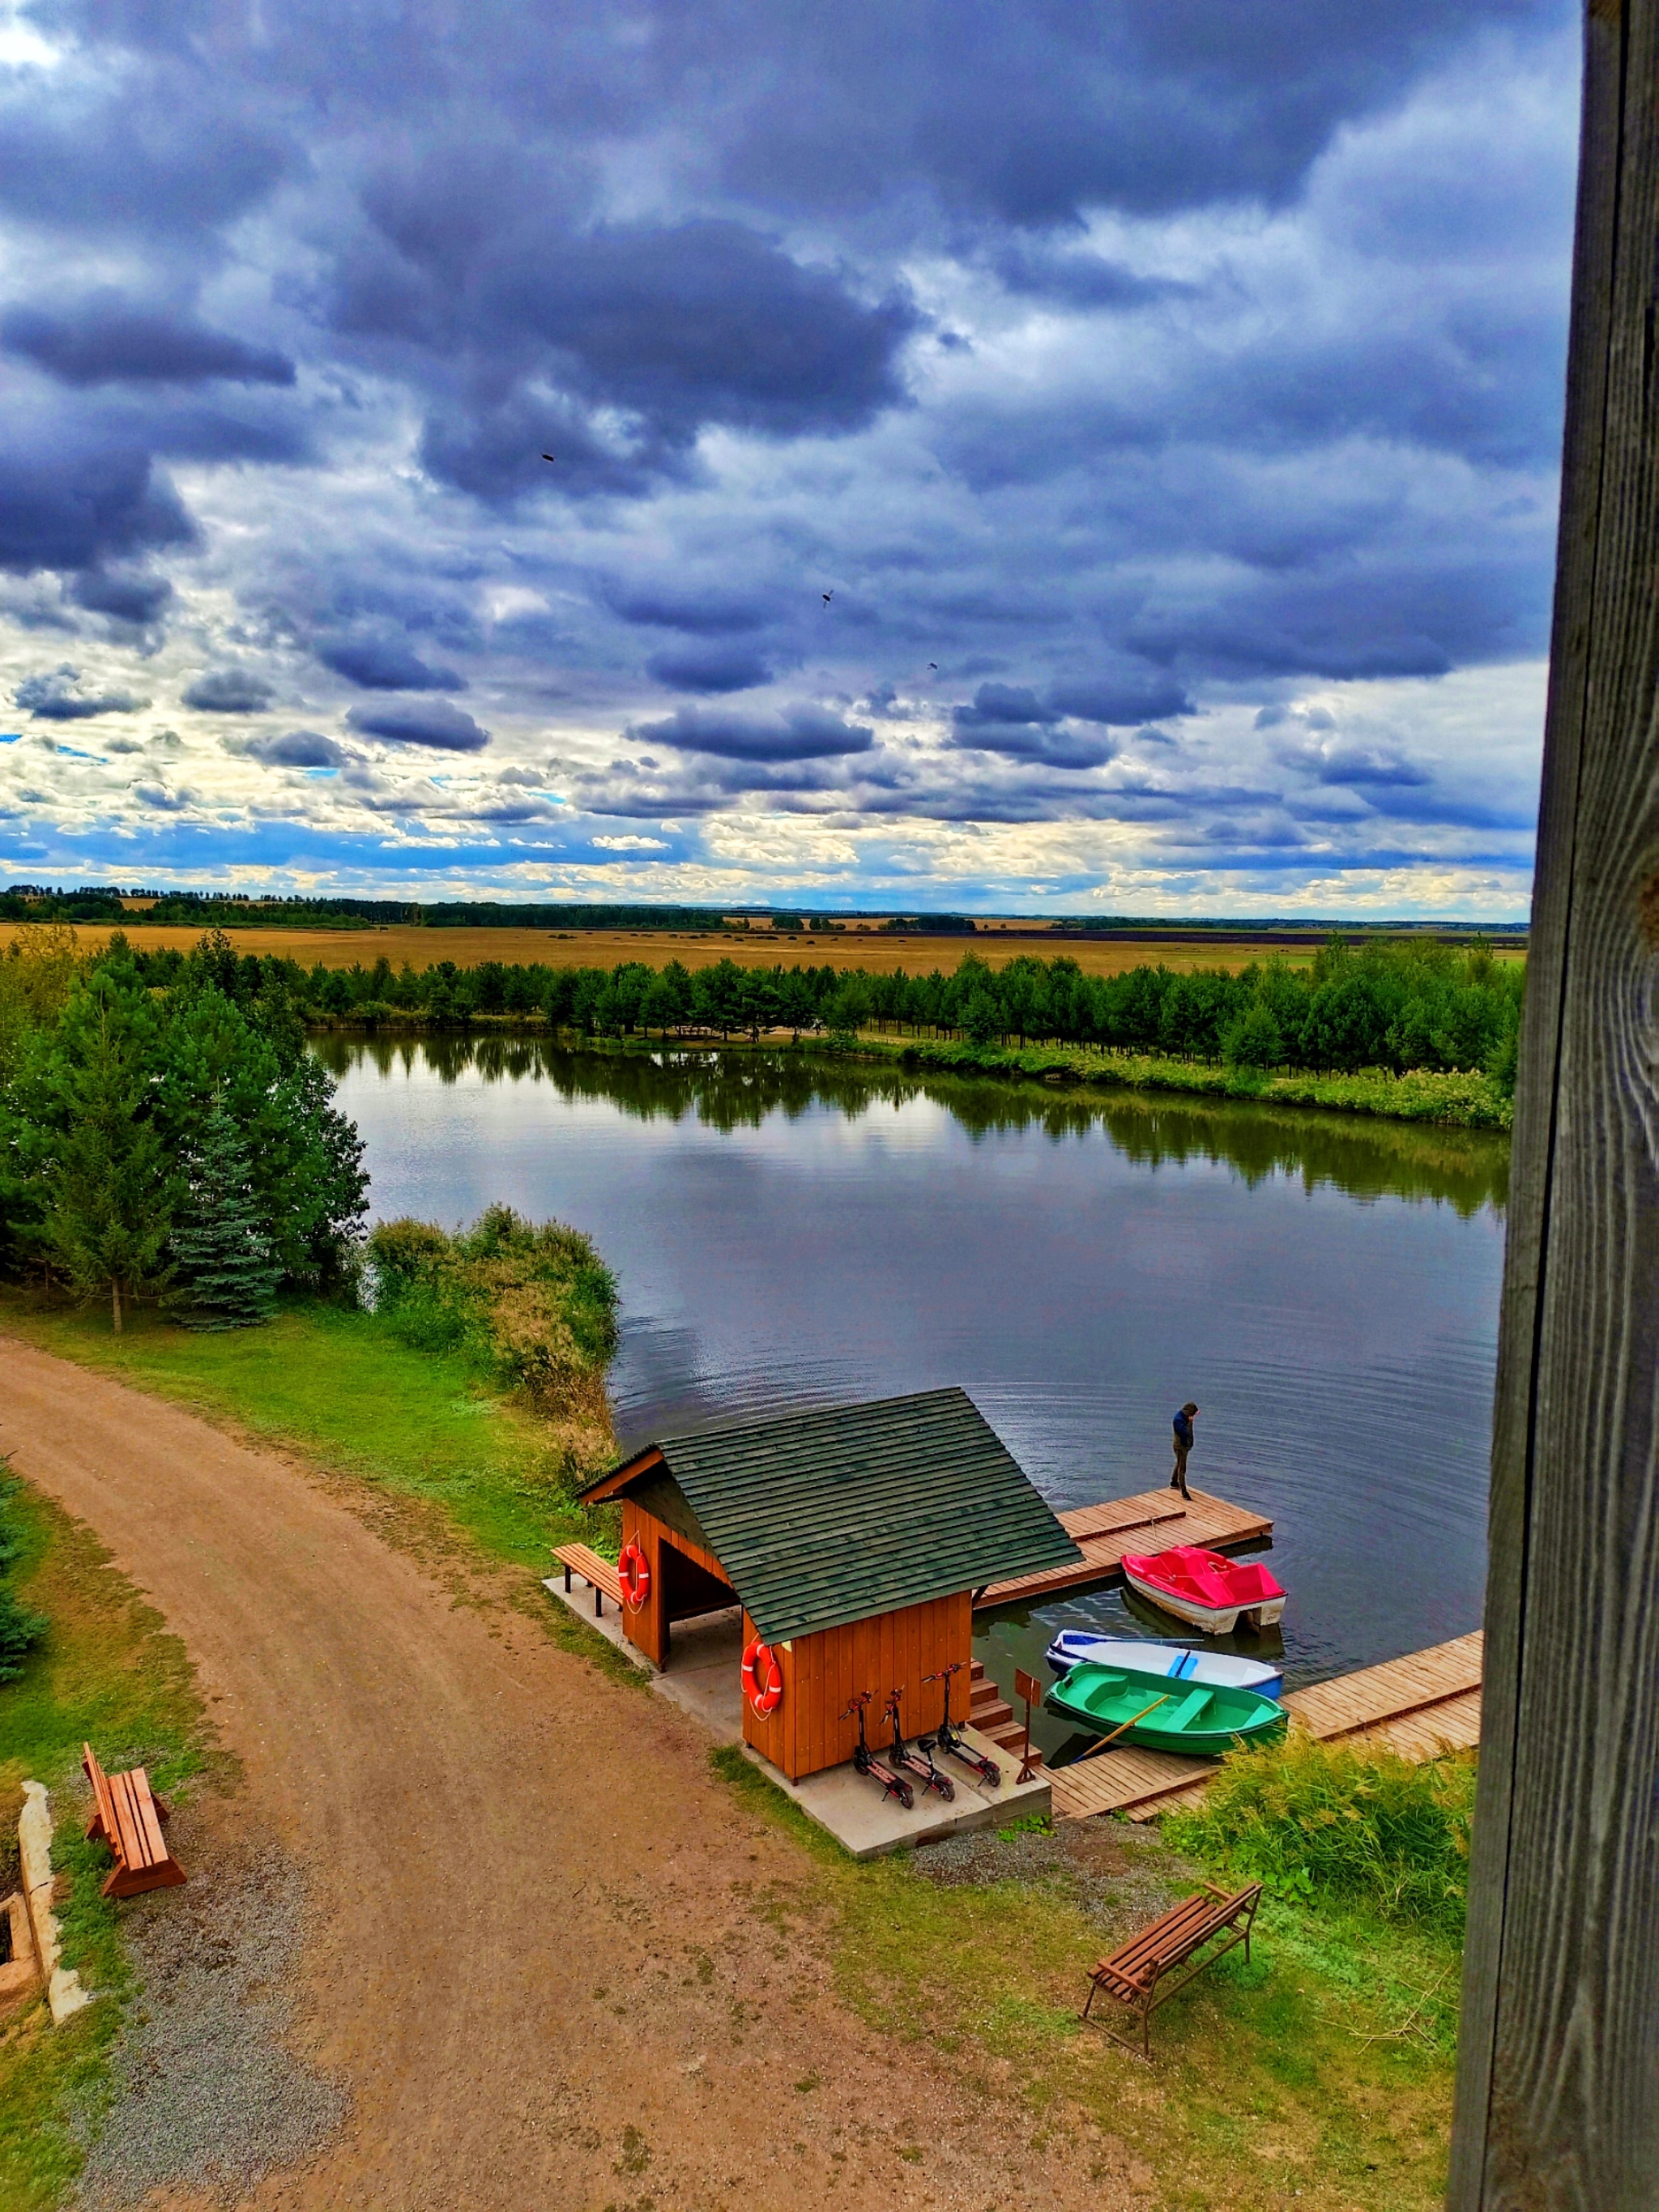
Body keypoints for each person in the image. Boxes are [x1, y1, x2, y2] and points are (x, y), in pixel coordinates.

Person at [1171, 1402, 1198, 1499]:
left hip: (1180, 1446)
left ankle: (1174, 1482)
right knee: (1182, 1469)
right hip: (1180, 1447)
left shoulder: (1181, 1417)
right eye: (1192, 1414)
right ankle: (1184, 1492)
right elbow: (1186, 1434)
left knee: (1179, 1462)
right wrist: (1190, 1423)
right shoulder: (1179, 1421)